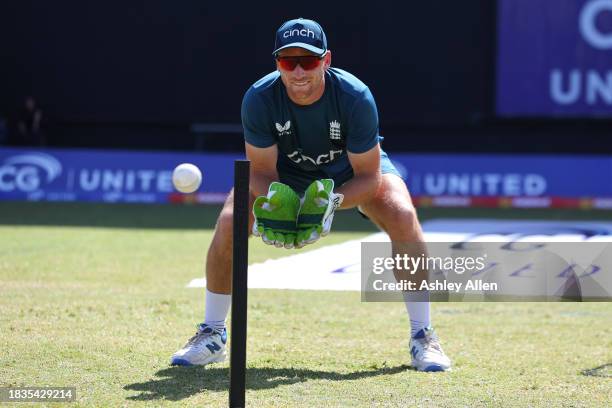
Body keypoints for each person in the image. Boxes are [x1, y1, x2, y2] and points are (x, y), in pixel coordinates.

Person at [171, 18, 451, 372]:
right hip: (284, 175)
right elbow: (260, 172)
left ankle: (422, 335)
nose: (299, 71)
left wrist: (328, 205)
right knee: (230, 222)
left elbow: (368, 176)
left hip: (348, 173)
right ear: (277, 64)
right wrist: (284, 205)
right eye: (289, 62)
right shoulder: (259, 98)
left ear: (326, 60)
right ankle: (211, 333)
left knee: (403, 216)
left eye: (309, 60)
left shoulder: (354, 96)